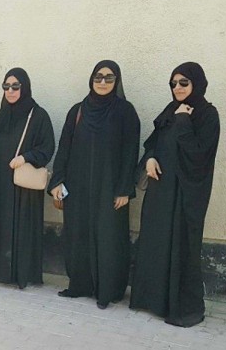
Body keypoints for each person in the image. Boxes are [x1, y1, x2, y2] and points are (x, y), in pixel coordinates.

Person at [130, 62, 220, 327]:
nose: (177, 88)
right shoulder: (170, 110)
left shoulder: (207, 114)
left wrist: (183, 120)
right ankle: (152, 300)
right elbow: (153, 143)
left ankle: (180, 307)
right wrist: (149, 159)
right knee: (156, 242)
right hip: (161, 191)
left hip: (185, 195)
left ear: (197, 83)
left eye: (183, 82)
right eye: (173, 83)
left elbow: (200, 155)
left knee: (181, 245)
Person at [48, 60, 140, 309]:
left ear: (117, 81)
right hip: (78, 189)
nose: (102, 82)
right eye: (98, 77)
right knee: (78, 235)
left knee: (108, 238)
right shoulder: (78, 110)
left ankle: (107, 290)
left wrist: (124, 189)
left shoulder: (125, 112)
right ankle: (79, 285)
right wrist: (57, 181)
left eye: (109, 78)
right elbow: (64, 148)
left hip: (109, 189)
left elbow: (130, 153)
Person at [0, 68, 55, 289]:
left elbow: (47, 147)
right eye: (6, 86)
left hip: (24, 186)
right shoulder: (1, 115)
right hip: (1, 182)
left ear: (25, 87)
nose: (11, 91)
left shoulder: (38, 115)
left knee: (22, 227)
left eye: (16, 86)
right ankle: (0, 272)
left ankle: (22, 274)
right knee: (2, 224)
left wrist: (25, 157)